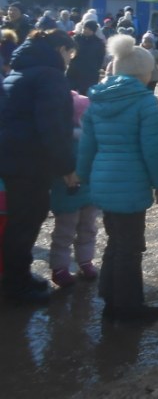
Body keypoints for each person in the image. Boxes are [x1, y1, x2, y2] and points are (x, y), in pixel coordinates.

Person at [78, 34, 158, 322]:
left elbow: (87, 145)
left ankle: (110, 299)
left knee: (115, 241)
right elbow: (152, 149)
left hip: (103, 180)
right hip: (131, 182)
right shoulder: (145, 102)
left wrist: (81, 175)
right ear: (144, 73)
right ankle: (129, 307)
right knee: (130, 247)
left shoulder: (98, 99)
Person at [0, 29, 77, 304]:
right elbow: (53, 126)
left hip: (13, 156)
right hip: (29, 160)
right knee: (27, 219)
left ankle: (18, 274)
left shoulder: (21, 69)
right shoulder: (49, 75)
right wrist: (67, 167)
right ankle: (16, 285)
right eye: (70, 53)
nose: (70, 60)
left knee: (22, 219)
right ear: (60, 49)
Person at [48, 90, 100, 288]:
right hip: (68, 194)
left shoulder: (90, 138)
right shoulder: (64, 142)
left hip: (86, 193)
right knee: (65, 231)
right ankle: (60, 266)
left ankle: (85, 261)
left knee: (87, 228)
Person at [66, 20, 106, 95]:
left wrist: (95, 69)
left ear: (93, 31)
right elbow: (69, 53)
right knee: (69, 93)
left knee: (86, 95)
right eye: (85, 28)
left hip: (89, 74)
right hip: (73, 72)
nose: (86, 31)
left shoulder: (98, 43)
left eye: (89, 29)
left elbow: (100, 58)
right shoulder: (76, 39)